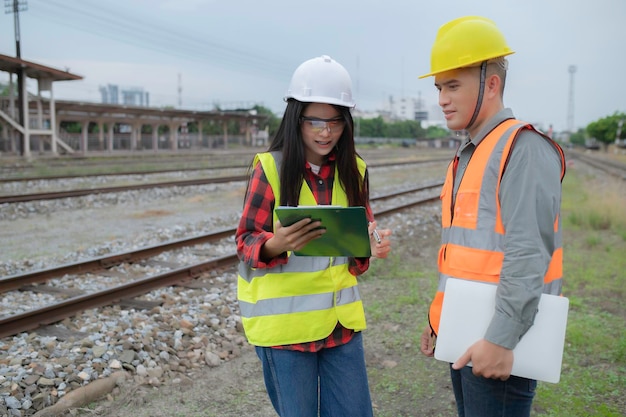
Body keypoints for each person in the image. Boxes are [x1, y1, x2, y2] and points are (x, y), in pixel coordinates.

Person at [417, 16, 566, 417]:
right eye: (438, 88)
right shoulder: (468, 155)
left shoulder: (523, 148)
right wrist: (439, 322)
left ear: (492, 84)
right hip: (464, 336)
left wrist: (500, 340)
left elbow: (528, 253)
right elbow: (464, 254)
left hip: (500, 345)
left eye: (453, 86)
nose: (442, 99)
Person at [235, 54, 392, 417]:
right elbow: (245, 242)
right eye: (315, 122)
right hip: (286, 331)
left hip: (341, 325)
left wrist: (372, 246)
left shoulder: (355, 170)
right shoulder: (271, 168)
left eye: (335, 122)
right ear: (296, 119)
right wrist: (277, 244)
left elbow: (357, 248)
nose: (326, 132)